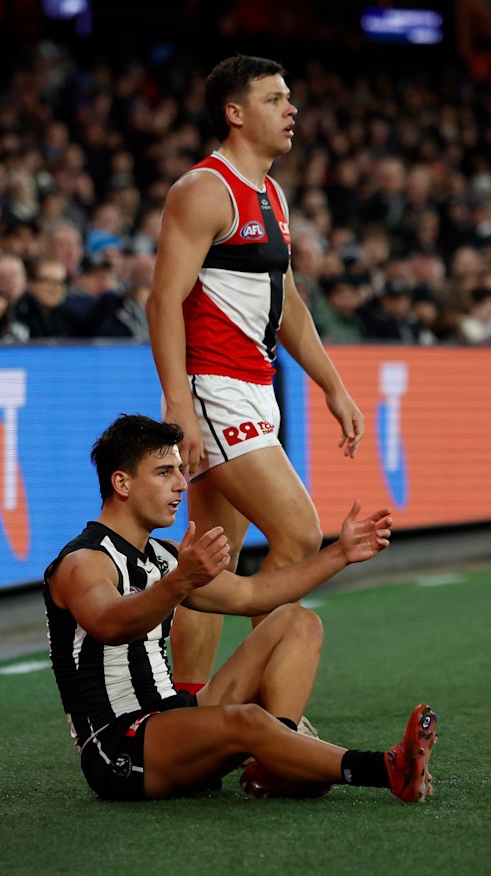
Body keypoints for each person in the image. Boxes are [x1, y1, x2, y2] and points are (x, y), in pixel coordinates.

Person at [43, 413, 437, 804]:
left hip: (172, 715)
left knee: (295, 621)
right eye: (164, 472)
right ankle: (386, 769)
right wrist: (182, 581)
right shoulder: (84, 562)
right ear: (121, 483)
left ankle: (276, 766)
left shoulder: (162, 556)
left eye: (180, 471)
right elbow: (109, 624)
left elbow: (253, 595)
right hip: (119, 746)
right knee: (246, 718)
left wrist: (340, 553)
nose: (181, 485)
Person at [146, 55, 365, 689]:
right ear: (234, 113)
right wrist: (178, 403)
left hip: (253, 387)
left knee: (214, 557)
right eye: (274, 99)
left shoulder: (271, 194)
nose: (291, 109)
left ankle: (184, 714)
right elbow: (163, 299)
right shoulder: (203, 189)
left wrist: (332, 384)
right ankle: (266, 707)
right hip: (215, 390)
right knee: (299, 534)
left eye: (289, 98)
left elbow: (287, 300)